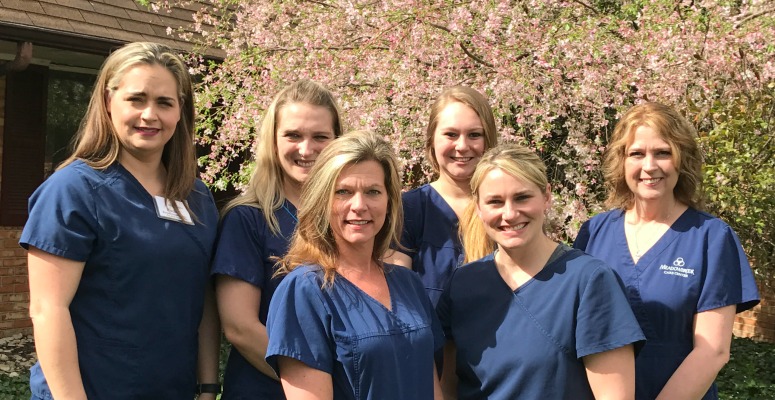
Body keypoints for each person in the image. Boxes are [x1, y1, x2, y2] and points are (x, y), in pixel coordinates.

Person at [21, 42, 220, 399]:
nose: (150, 115)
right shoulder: (72, 191)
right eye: (136, 99)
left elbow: (202, 294)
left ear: (180, 113)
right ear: (108, 102)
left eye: (164, 102)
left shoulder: (197, 197)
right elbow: (48, 310)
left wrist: (207, 386)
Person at [574, 102, 760, 400]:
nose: (649, 166)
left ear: (681, 159)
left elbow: (713, 351)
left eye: (662, 152)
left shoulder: (711, 238)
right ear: (621, 162)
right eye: (636, 154)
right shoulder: (594, 232)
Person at [439, 143, 645, 400]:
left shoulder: (589, 281)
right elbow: (448, 384)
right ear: (479, 208)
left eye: (522, 197)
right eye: (495, 202)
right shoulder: (464, 285)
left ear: (546, 196)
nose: (510, 213)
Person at [266, 131, 444, 399]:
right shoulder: (304, 292)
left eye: (373, 191)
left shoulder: (408, 283)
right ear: (321, 201)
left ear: (389, 201)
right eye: (343, 192)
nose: (359, 205)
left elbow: (433, 391)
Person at [211, 79, 343, 399]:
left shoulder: (352, 217)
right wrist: (316, 385)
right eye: (293, 135)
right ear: (273, 140)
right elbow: (240, 328)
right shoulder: (248, 219)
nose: (306, 149)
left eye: (320, 137)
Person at [384, 86, 498, 307]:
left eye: (474, 135)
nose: (462, 146)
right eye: (451, 134)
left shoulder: (507, 208)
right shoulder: (409, 210)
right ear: (432, 140)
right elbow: (397, 300)